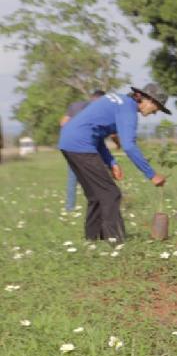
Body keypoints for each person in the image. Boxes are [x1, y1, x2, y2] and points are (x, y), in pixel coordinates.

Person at [58, 84, 170, 241]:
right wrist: (151, 174)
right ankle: (116, 242)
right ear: (147, 99)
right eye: (157, 107)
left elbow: (95, 135)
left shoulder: (118, 100)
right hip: (81, 145)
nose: (156, 112)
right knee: (111, 194)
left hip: (67, 142)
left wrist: (111, 162)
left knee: (96, 195)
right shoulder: (128, 109)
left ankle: (92, 240)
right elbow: (129, 146)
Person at [60, 90, 105, 212]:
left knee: (73, 177)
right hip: (88, 148)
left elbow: (63, 123)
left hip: (70, 146)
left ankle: (70, 208)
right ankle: (97, 205)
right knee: (95, 177)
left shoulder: (75, 105)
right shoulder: (98, 110)